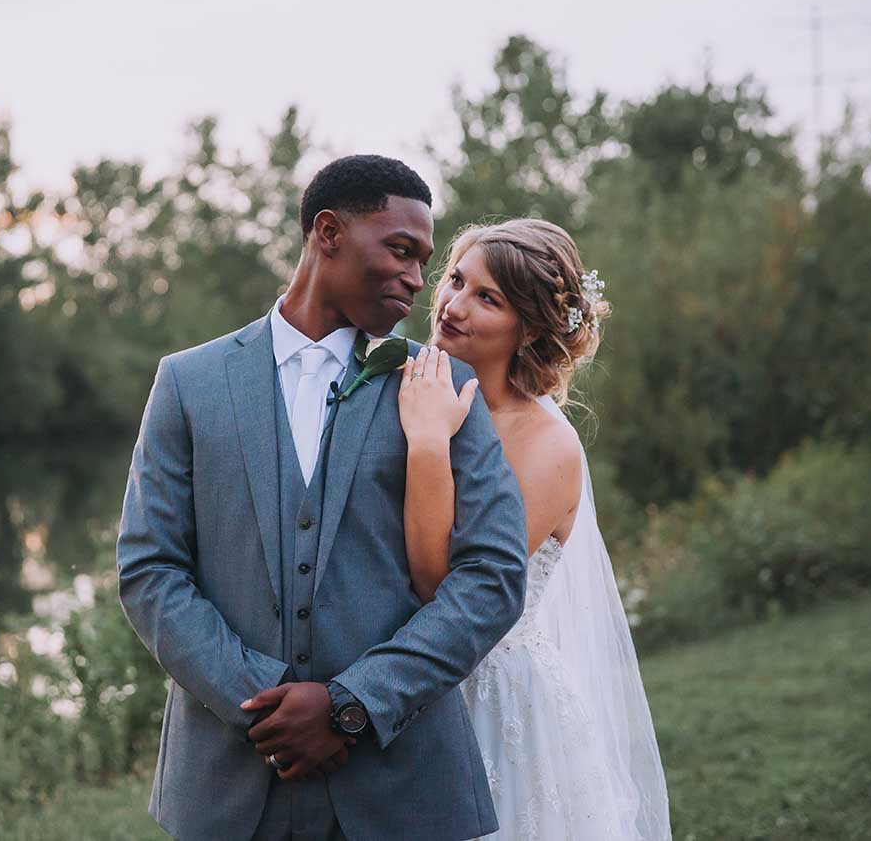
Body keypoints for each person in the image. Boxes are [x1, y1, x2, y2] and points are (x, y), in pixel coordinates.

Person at [116, 155, 529, 841]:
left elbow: (493, 576)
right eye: (401, 250)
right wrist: (261, 704)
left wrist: (350, 703)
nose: (418, 279)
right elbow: (149, 570)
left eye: (426, 260)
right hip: (230, 787)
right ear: (328, 233)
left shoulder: (442, 385)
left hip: (406, 786)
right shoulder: (189, 383)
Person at [399, 218, 671, 840]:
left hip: (495, 701)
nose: (452, 306)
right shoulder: (418, 388)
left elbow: (444, 584)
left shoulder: (548, 446)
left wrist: (426, 443)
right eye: (457, 281)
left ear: (527, 328)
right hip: (405, 685)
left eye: (487, 298)